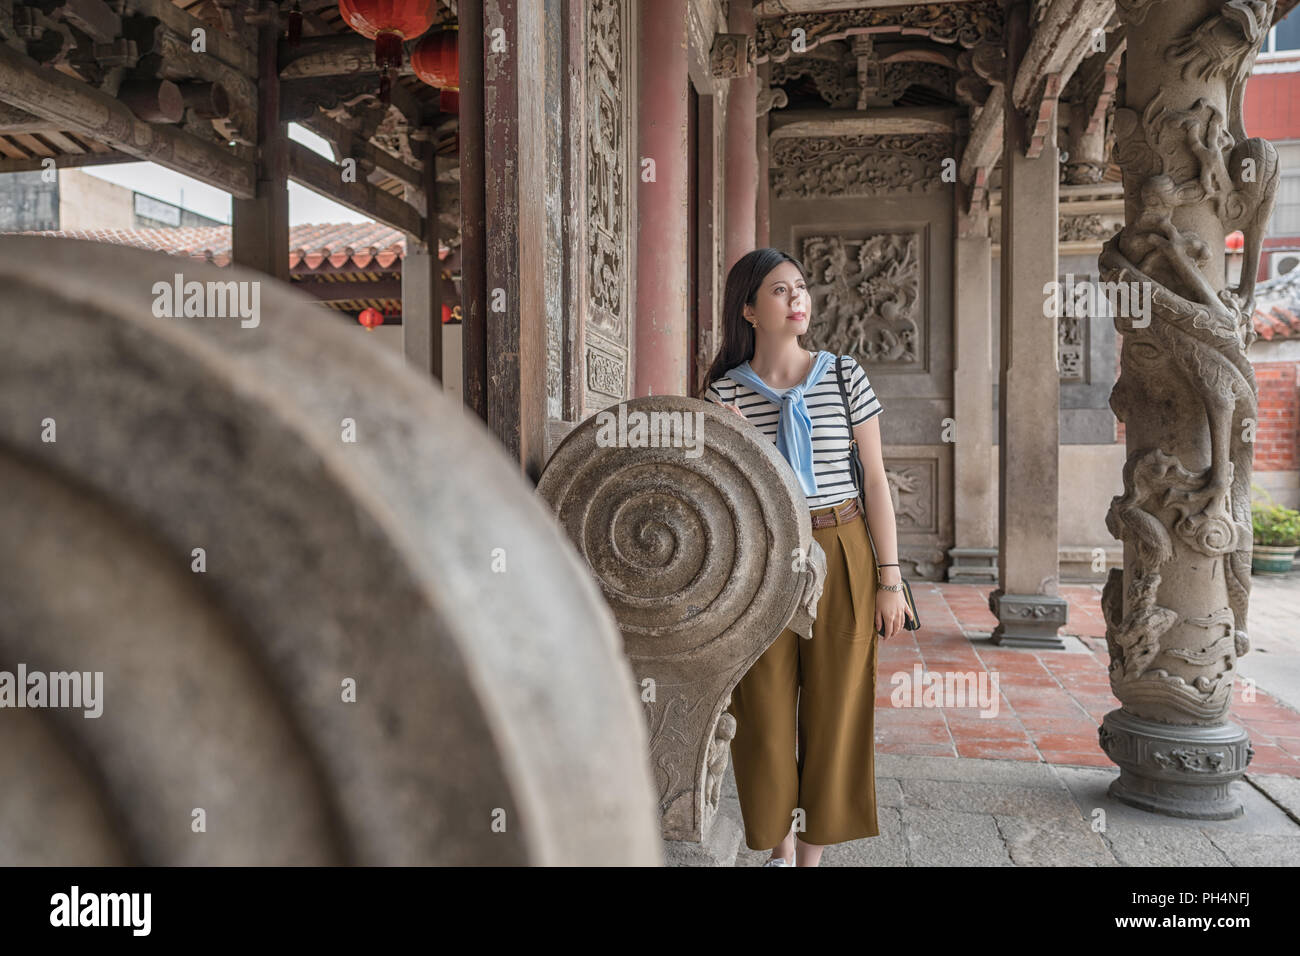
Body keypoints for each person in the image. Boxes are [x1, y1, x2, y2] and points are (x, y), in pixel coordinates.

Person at [701, 247, 908, 868]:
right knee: (759, 707)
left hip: (841, 545)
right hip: (763, 555)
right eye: (779, 290)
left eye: (800, 287)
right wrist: (731, 436)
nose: (798, 299)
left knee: (837, 705)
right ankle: (777, 851)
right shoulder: (721, 395)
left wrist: (890, 579)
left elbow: (875, 479)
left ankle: (811, 861)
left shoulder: (845, 376)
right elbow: (720, 496)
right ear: (748, 309)